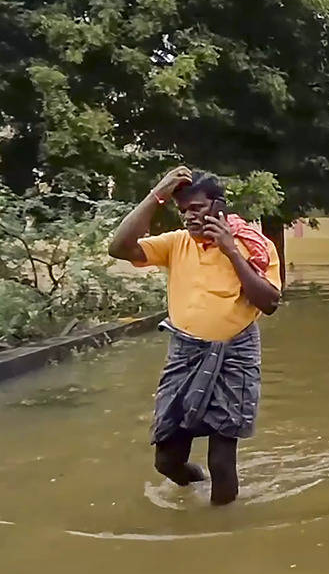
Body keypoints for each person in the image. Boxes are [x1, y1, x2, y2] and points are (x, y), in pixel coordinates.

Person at [107, 167, 282, 505]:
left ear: (219, 206)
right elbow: (119, 248)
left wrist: (230, 250)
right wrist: (157, 193)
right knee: (166, 461)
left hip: (235, 355)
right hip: (184, 354)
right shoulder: (176, 244)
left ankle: (220, 532)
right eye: (183, 209)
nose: (189, 216)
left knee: (221, 461)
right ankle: (193, 483)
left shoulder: (251, 246)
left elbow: (270, 302)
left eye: (197, 208)